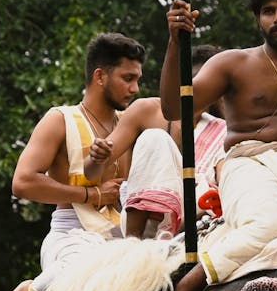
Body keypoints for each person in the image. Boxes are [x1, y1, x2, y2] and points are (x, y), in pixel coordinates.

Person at [139, 0, 277, 291]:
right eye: (268, 11)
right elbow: (171, 106)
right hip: (248, 163)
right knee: (270, 222)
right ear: (257, 18)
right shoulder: (235, 63)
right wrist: (174, 42)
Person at [0, 32, 146, 291]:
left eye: (137, 79)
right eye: (127, 78)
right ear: (100, 76)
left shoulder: (129, 125)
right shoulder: (60, 119)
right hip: (71, 237)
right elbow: (22, 182)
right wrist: (91, 195)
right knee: (86, 268)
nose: (135, 88)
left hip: (119, 234)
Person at [85, 45, 226, 239]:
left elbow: (224, 184)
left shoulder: (222, 130)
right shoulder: (146, 111)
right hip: (146, 223)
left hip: (196, 221)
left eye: (210, 81)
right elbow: (91, 172)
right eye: (195, 79)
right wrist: (96, 158)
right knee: (155, 138)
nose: (201, 87)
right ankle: (133, 244)